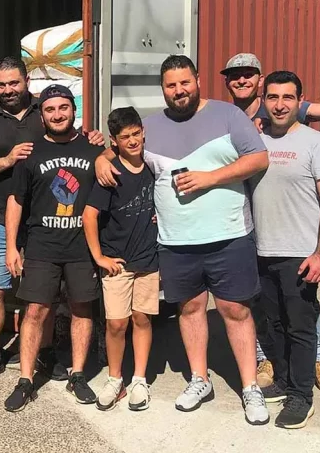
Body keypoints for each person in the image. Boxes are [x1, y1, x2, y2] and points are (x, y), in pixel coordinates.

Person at [96, 55, 270, 426]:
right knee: (190, 311)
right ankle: (199, 379)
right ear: (163, 89)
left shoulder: (228, 116)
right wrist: (101, 157)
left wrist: (211, 178)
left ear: (198, 80)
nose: (179, 91)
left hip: (229, 235)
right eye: (171, 85)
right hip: (175, 242)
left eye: (184, 83)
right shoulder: (150, 126)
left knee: (235, 311)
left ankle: (250, 387)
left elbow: (258, 159)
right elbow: (122, 147)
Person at [0, 56, 102, 385]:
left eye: (14, 82)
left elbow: (77, 140)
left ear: (27, 81)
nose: (8, 90)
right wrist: (7, 160)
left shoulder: (48, 110)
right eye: (1, 85)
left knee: (45, 297)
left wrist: (95, 140)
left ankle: (45, 351)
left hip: (46, 220)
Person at [221, 52, 320, 397]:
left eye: (248, 75)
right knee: (266, 311)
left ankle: (312, 366)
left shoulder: (300, 128)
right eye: (235, 75)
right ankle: (272, 363)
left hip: (296, 244)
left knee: (303, 314)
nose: (241, 80)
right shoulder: (235, 124)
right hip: (254, 239)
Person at [3, 85, 102, 412]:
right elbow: (16, 201)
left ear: (74, 110)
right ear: (41, 114)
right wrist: (11, 246)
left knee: (81, 309)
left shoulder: (92, 147)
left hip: (81, 248)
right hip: (42, 246)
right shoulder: (30, 153)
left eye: (63, 108)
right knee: (35, 312)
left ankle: (77, 375)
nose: (57, 114)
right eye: (50, 110)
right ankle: (26, 380)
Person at [250, 71, 320, 429]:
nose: (280, 104)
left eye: (288, 97)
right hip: (261, 251)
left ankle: (302, 396)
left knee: (301, 327)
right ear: (264, 100)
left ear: (299, 101)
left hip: (300, 254)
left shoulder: (315, 143)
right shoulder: (255, 142)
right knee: (274, 324)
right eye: (273, 97)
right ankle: (285, 381)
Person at [83, 107, 158, 412]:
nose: (132, 141)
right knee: (116, 323)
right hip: (118, 262)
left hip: (149, 259)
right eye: (124, 137)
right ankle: (116, 379)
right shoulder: (110, 174)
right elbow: (90, 215)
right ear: (113, 141)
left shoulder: (155, 165)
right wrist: (98, 256)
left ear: (143, 132)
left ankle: (140, 378)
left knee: (142, 318)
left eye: (136, 133)